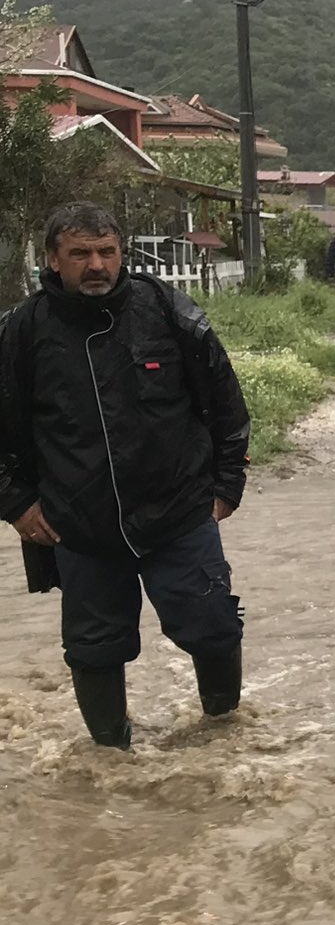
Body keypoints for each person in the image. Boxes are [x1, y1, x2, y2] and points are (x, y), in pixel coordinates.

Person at [0, 202, 251, 749]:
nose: (96, 265)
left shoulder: (167, 311)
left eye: (106, 252)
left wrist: (227, 486)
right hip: (79, 526)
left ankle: (225, 735)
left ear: (122, 254)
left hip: (179, 513)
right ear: (52, 259)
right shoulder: (22, 331)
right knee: (94, 647)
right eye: (80, 254)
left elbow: (225, 401)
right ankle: (111, 759)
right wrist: (16, 503)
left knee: (212, 625)